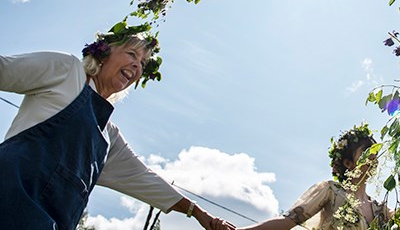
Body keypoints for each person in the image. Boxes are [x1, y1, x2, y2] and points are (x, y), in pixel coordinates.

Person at [0, 21, 233, 230]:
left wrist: (199, 214)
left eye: (142, 62)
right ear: (103, 54)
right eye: (131, 53)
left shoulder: (108, 136)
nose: (137, 65)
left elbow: (145, 178)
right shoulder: (67, 71)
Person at [211, 123, 400, 230]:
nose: (373, 158)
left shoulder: (380, 209)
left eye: (375, 153)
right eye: (366, 153)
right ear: (348, 163)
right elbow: (285, 223)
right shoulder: (331, 191)